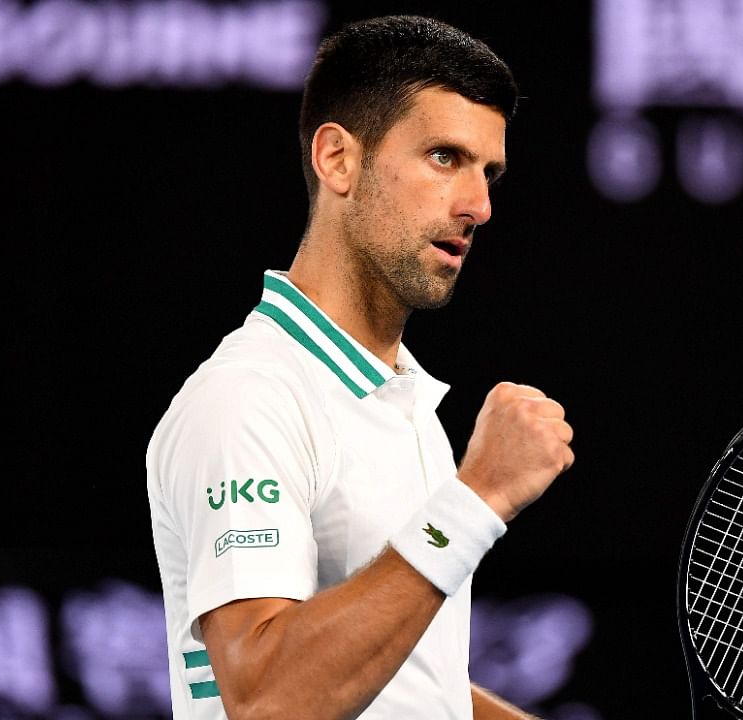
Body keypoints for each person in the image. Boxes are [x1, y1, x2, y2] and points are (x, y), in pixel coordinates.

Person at [145, 14, 575, 720]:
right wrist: (477, 498)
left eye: (487, 172)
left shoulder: (398, 405)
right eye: (444, 157)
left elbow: (402, 684)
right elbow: (268, 698)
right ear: (338, 159)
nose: (479, 206)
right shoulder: (249, 396)